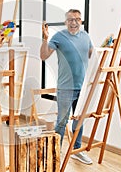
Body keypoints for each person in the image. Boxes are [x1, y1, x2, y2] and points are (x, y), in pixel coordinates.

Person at [40, 9, 93, 165]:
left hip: (82, 87)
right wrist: (45, 39)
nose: (74, 22)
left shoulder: (86, 36)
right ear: (66, 22)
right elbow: (44, 55)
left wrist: (107, 46)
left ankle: (76, 150)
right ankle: (54, 153)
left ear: (81, 22)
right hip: (65, 88)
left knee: (79, 121)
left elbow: (92, 55)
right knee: (62, 122)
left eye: (77, 19)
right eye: (70, 19)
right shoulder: (59, 37)